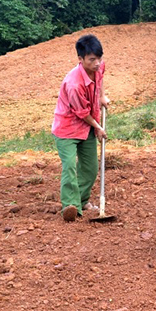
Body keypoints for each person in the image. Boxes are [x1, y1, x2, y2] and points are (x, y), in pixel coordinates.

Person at [52, 35, 110, 222]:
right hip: (67, 128)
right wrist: (99, 127)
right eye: (92, 59)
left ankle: (82, 199)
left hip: (86, 127)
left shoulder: (99, 67)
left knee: (91, 167)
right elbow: (82, 113)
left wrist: (101, 96)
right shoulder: (74, 84)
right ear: (80, 59)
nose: (97, 63)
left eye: (99, 58)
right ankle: (71, 206)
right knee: (69, 166)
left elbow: (100, 80)